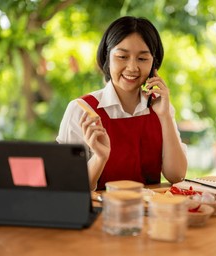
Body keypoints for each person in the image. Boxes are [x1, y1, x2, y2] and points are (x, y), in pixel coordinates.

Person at [56, 16, 187, 190]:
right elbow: (68, 187)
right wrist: (99, 158)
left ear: (154, 64)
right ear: (106, 57)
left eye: (142, 59)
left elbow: (177, 175)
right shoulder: (81, 110)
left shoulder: (161, 108)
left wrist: (165, 117)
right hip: (101, 215)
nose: (132, 67)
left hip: (150, 214)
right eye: (122, 56)